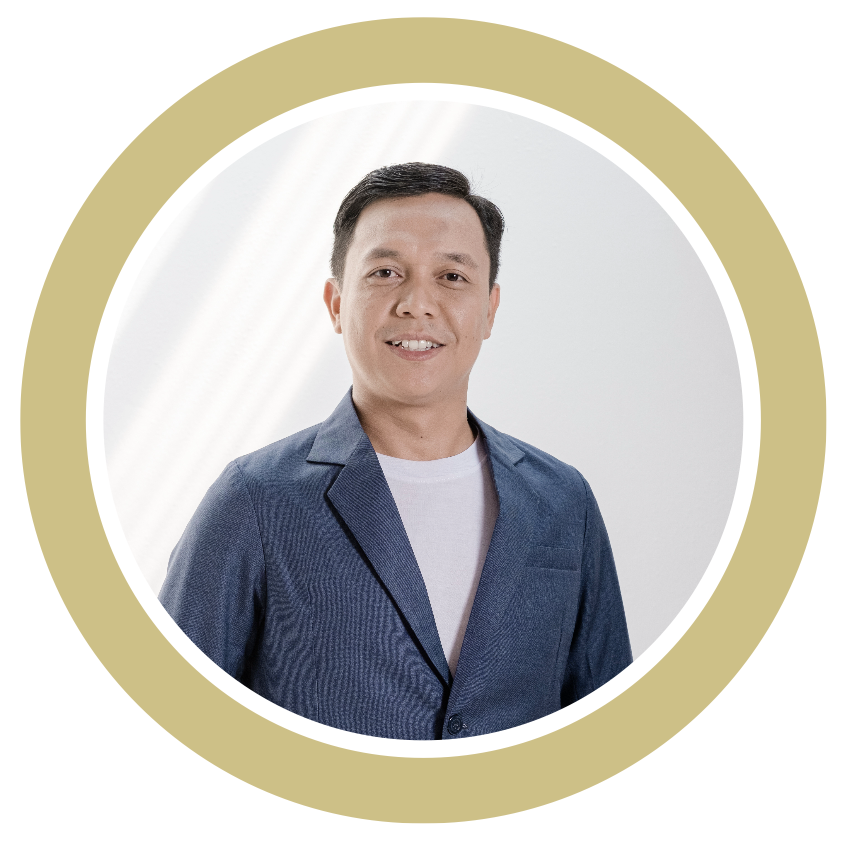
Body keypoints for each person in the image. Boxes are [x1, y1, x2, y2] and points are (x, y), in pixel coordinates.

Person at [160, 162, 632, 740]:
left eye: (452, 276)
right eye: (385, 272)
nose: (416, 303)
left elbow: (609, 728)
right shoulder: (254, 499)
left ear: (490, 309)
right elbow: (172, 722)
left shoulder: (562, 500)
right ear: (336, 304)